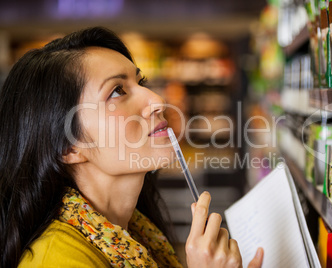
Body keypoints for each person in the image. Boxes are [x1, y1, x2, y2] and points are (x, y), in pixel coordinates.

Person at [0, 27, 264, 267]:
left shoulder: (135, 234)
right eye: (117, 91)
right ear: (68, 148)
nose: (158, 100)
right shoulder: (57, 262)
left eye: (141, 82)